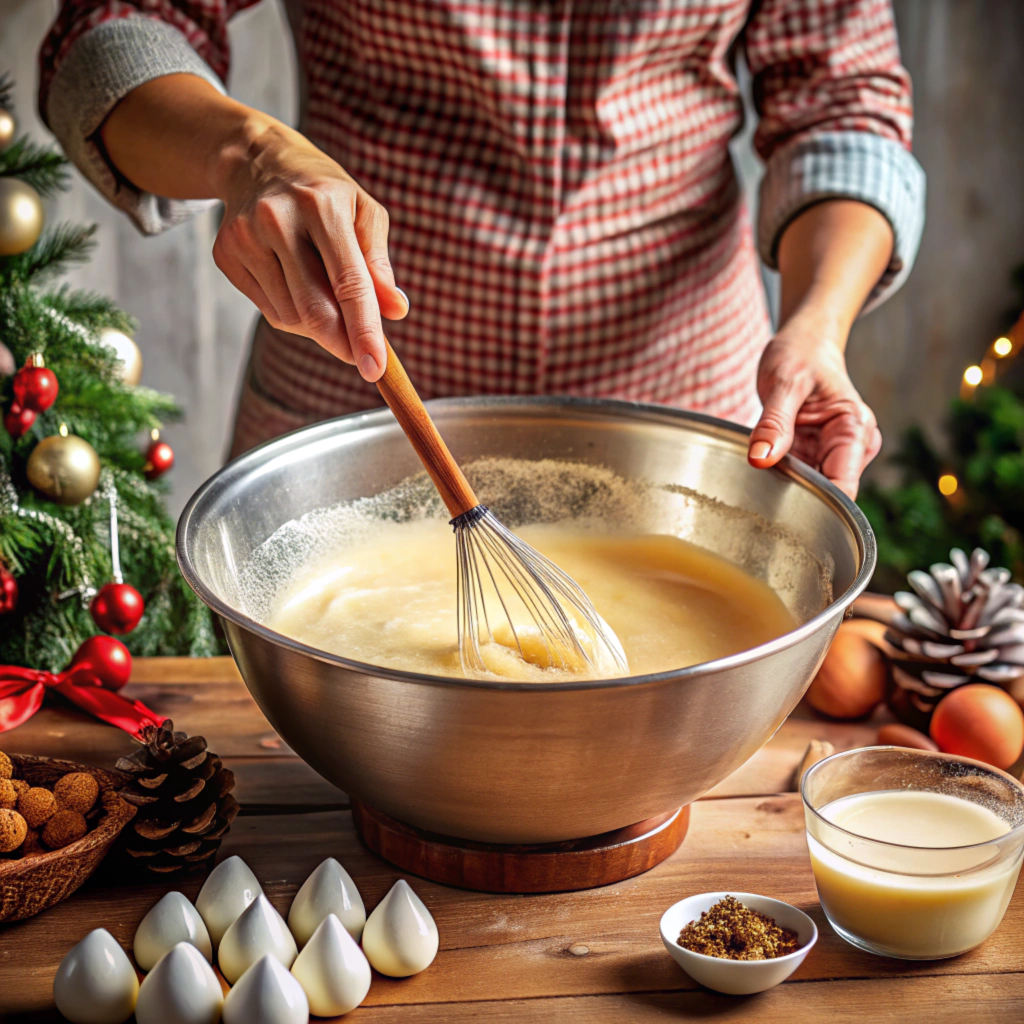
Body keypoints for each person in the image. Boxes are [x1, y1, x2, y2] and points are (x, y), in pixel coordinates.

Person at [40, 0, 924, 498]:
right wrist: (250, 157)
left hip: (683, 403)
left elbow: (841, 103)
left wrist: (816, 324)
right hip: (355, 386)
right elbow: (113, 33)